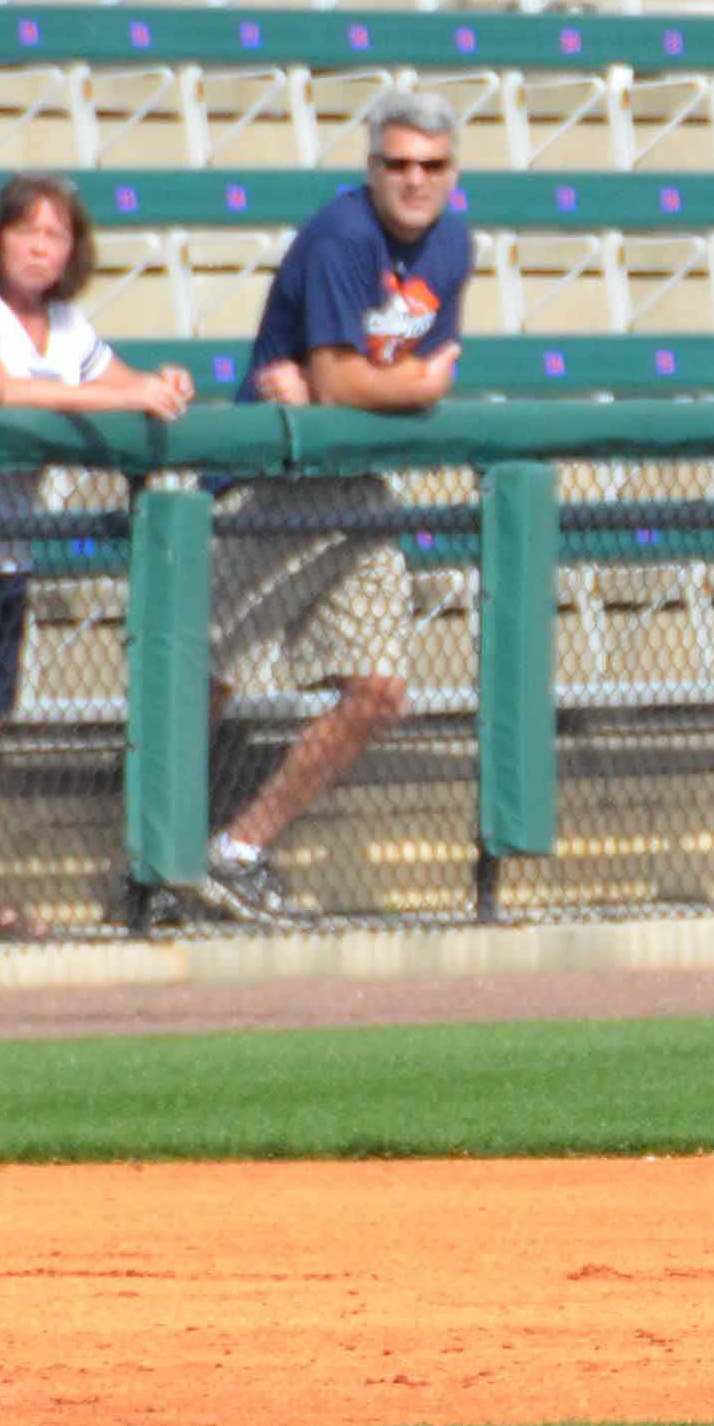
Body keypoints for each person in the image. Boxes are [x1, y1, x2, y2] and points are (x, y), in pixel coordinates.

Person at [185, 87, 473, 924]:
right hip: (271, 477)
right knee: (202, 680)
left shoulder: (452, 241)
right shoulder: (344, 234)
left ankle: (237, 851)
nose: (414, 181)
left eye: (432, 166)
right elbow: (348, 379)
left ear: (452, 173)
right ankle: (159, 855)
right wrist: (397, 386)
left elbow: (362, 382)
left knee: (380, 692)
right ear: (371, 169)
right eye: (398, 165)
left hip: (355, 483)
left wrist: (364, 389)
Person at [0, 176, 195, 942]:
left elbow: (116, 381)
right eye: (25, 231)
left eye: (55, 234)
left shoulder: (63, 321)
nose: (39, 246)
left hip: (1, 552)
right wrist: (121, 402)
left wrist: (160, 385)